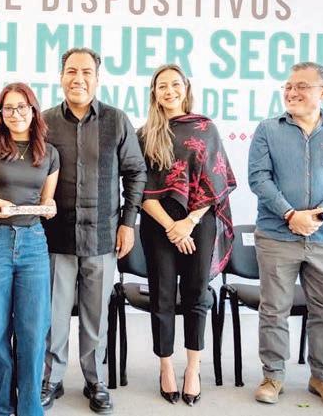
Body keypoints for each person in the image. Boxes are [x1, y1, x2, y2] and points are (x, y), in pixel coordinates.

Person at [248, 62, 323, 411]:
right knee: (274, 309)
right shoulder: (268, 129)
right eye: (288, 86)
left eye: (301, 86)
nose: (292, 92)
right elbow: (259, 178)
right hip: (276, 235)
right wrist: (290, 215)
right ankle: (273, 376)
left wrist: (320, 213)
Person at [41, 47, 147, 414]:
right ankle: (51, 379)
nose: (78, 78)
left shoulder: (116, 121)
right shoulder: (45, 122)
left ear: (97, 78)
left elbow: (136, 172)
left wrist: (128, 223)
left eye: (86, 72)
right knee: (52, 316)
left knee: (96, 316)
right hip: (55, 238)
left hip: (103, 236)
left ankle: (96, 380)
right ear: (61, 77)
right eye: (71, 71)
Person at [138, 64, 236, 406]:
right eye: (162, 86)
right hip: (158, 223)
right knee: (162, 296)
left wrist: (189, 222)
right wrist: (172, 226)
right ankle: (165, 367)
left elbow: (216, 181)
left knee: (196, 294)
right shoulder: (144, 134)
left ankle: (193, 368)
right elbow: (139, 190)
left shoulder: (205, 128)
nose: (169, 91)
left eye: (175, 84)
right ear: (154, 93)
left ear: (186, 88)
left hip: (199, 221)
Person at [0, 82, 60, 416]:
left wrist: (50, 208)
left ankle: (30, 407)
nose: (15, 113)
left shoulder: (50, 153)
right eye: (8, 108)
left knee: (33, 331)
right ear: (0, 112)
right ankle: (5, 406)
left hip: (33, 242)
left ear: (33, 110)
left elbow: (47, 200)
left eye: (22, 106)